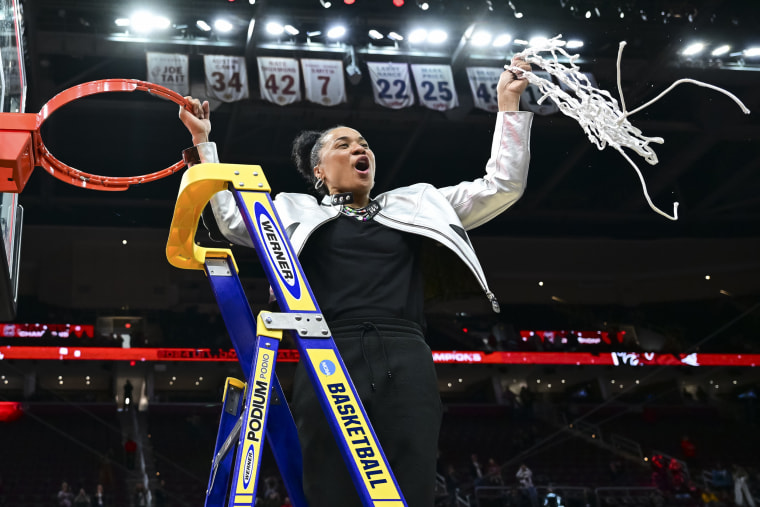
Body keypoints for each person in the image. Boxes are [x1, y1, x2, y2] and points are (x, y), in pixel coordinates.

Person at [179, 57, 532, 507]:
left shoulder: (418, 203)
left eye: (363, 143)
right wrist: (203, 143)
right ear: (319, 171)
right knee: (330, 482)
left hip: (406, 353)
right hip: (326, 349)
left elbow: (501, 184)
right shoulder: (291, 209)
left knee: (413, 479)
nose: (358, 148)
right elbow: (229, 219)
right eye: (343, 145)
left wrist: (508, 103)